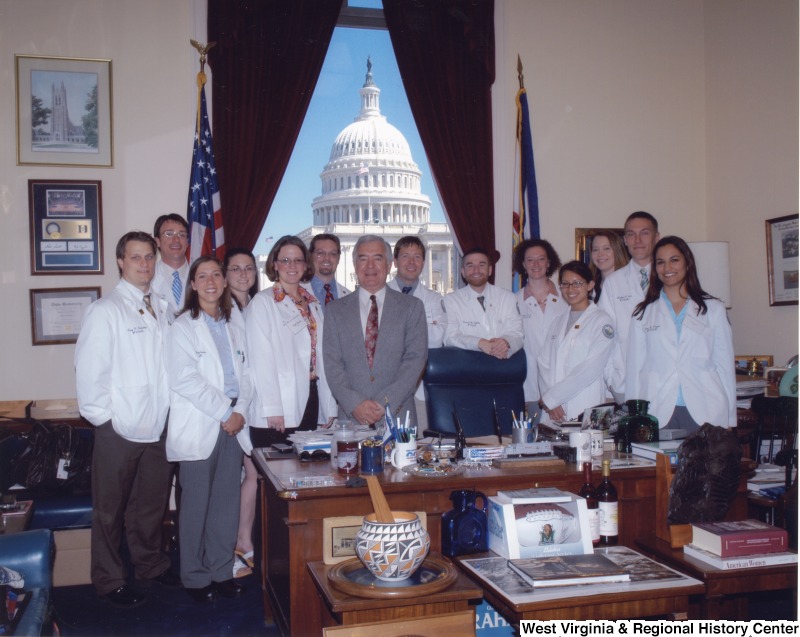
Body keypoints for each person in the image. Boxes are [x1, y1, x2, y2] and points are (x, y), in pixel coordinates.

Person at [75, 231, 180, 608]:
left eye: (149, 257)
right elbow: (89, 373)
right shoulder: (105, 310)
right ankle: (109, 579)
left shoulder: (163, 307)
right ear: (121, 261)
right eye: (136, 257)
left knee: (149, 505)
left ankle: (149, 564)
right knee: (109, 509)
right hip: (118, 427)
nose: (144, 264)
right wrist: (106, 420)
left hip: (158, 425)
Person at [165, 256, 252, 603]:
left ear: (225, 281)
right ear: (193, 284)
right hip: (204, 421)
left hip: (233, 424)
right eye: (203, 276)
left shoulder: (234, 323)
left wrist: (241, 411)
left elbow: (249, 374)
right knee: (196, 505)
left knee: (225, 503)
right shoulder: (183, 326)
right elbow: (183, 378)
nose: (211, 281)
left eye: (217, 274)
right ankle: (196, 577)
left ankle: (220, 570)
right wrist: (225, 412)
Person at [626, 237, 736, 432]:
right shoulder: (642, 314)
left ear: (687, 263)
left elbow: (724, 366)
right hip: (658, 409)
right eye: (660, 262)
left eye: (674, 259)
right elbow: (635, 370)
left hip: (706, 408)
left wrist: (730, 419)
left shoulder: (713, 309)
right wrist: (635, 416)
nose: (667, 267)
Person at [324, 235, 428, 427]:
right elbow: (332, 365)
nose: (370, 266)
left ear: (389, 265)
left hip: (398, 419)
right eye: (363, 259)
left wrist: (384, 403)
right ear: (355, 265)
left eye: (378, 259)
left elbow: (415, 360)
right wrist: (355, 404)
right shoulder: (335, 310)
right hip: (352, 420)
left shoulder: (412, 307)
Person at [246, 236, 337, 446]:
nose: (292, 266)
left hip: (311, 396)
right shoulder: (264, 302)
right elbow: (261, 359)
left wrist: (329, 405)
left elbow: (323, 356)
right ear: (275, 265)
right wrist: (272, 407)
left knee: (306, 472)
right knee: (278, 473)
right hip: (279, 405)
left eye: (298, 260)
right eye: (285, 260)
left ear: (306, 265)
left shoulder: (312, 304)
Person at [537, 261, 616, 423]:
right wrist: (550, 401)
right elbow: (543, 363)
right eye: (565, 284)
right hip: (554, 410)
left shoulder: (602, 321)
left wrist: (553, 397)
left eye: (577, 283)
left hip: (586, 403)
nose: (570, 289)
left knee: (589, 446)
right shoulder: (557, 322)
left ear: (590, 285)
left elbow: (591, 368)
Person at [224, 248, 259, 579]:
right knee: (241, 474)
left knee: (253, 472)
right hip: (232, 408)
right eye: (236, 268)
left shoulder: (258, 305)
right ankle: (237, 543)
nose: (243, 274)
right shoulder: (221, 311)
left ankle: (243, 539)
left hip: (258, 403)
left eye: (249, 268)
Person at [598, 211, 660, 395]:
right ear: (625, 240)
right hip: (625, 382)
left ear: (657, 237)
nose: (637, 240)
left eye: (645, 233)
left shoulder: (670, 279)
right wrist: (611, 379)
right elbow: (604, 335)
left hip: (664, 382)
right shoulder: (613, 283)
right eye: (631, 234)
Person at [387, 236, 446, 428]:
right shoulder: (379, 294)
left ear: (423, 262)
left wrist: (397, 329)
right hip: (384, 388)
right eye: (405, 256)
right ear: (395, 262)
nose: (411, 262)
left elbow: (437, 339)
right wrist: (420, 329)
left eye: (417, 257)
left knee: (418, 444)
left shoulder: (433, 299)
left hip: (419, 391)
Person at [513, 239, 568, 415]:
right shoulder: (513, 301)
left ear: (549, 262)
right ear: (523, 264)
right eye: (530, 260)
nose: (536, 264)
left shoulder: (567, 298)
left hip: (563, 384)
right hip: (529, 387)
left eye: (541, 259)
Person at [443, 248, 523, 360]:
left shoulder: (508, 297)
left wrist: (505, 341)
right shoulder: (450, 300)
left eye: (482, 265)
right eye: (470, 265)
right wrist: (480, 343)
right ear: (463, 272)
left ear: (490, 270)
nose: (476, 270)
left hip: (504, 366)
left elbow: (517, 333)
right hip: (467, 367)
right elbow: (450, 337)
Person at [151, 214, 190, 321]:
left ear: (187, 242)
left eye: (182, 235)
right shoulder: (148, 277)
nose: (176, 239)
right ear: (157, 241)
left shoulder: (200, 276)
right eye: (169, 234)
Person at [307, 233, 350, 309]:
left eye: (332, 254)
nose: (326, 258)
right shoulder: (297, 294)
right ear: (310, 256)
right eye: (320, 253)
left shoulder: (349, 297)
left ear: (338, 258)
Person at [588, 230, 629, 303]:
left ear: (617, 251)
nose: (600, 254)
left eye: (606, 248)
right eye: (595, 249)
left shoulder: (629, 282)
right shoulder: (590, 286)